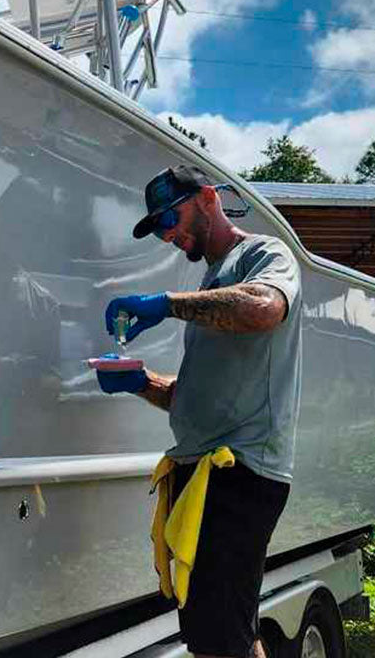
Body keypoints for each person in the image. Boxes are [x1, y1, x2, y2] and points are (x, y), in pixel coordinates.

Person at [100, 165, 302, 658]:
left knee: (218, 640)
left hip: (240, 471)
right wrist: (141, 382)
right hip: (205, 475)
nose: (168, 232)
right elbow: (193, 395)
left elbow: (265, 309)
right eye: (159, 227)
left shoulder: (263, 254)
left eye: (170, 216)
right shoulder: (212, 281)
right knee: (224, 633)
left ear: (207, 197)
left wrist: (165, 303)